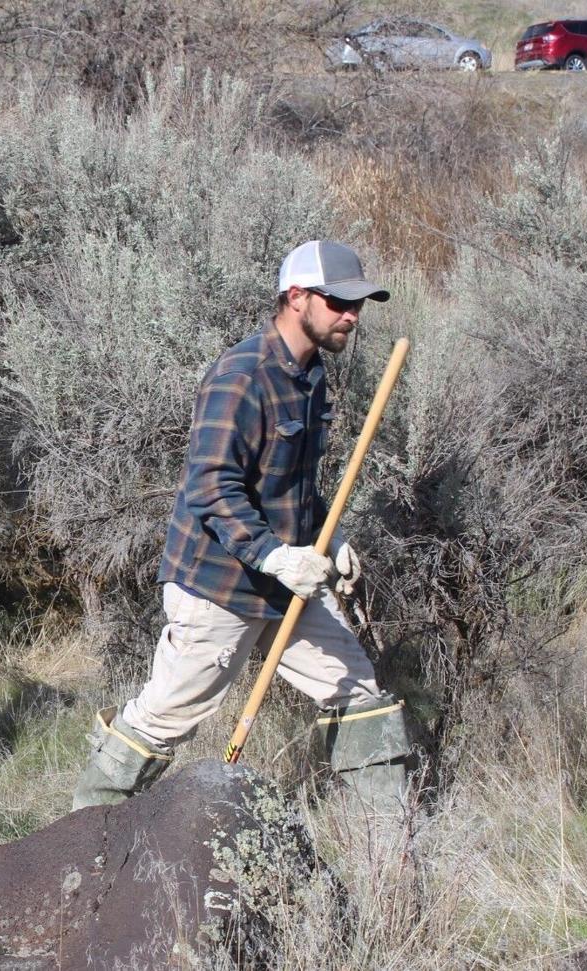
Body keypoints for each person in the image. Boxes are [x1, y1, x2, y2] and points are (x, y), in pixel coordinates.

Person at [72, 240, 410, 813]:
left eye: (358, 304)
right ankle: (86, 835)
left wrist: (332, 532)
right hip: (217, 586)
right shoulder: (241, 376)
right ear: (296, 296)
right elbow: (210, 486)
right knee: (165, 719)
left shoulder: (311, 374)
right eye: (339, 302)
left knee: (357, 692)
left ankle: (388, 847)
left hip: (287, 582)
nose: (352, 315)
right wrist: (275, 555)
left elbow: (294, 484)